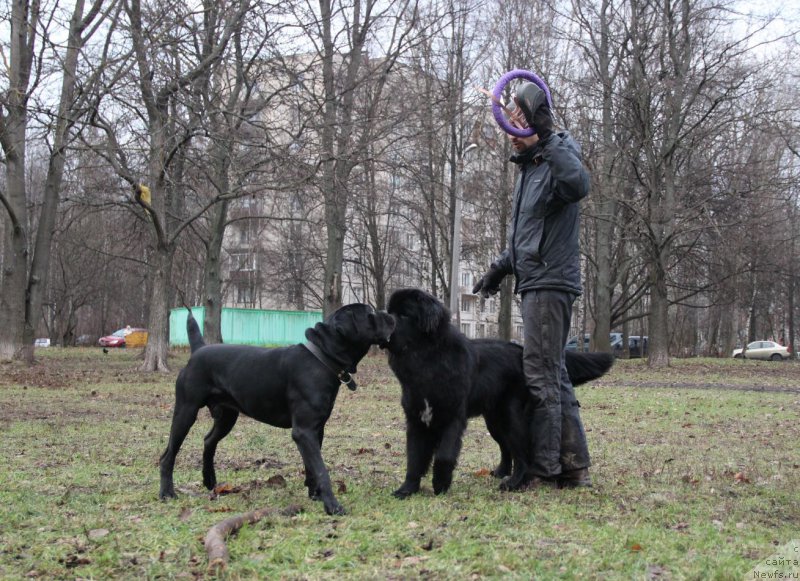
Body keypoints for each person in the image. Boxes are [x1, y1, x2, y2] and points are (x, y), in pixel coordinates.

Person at [472, 79, 592, 488]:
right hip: (536, 280)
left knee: (540, 375)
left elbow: (579, 185)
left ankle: (543, 468)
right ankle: (573, 466)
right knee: (554, 373)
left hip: (549, 282)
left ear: (536, 122)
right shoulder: (530, 170)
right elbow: (526, 237)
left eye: (520, 119)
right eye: (509, 120)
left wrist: (547, 132)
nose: (511, 128)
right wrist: (499, 268)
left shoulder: (559, 153)